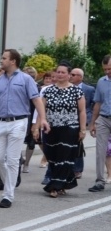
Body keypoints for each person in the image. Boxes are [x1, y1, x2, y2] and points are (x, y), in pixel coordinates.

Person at [0, 49, 49, 208]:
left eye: (4, 58)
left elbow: (36, 100)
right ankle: (10, 181)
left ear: (13, 61)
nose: (1, 60)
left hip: (19, 121)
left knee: (11, 159)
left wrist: (42, 119)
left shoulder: (25, 79)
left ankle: (8, 195)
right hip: (0, 122)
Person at [40, 63, 85, 197]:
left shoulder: (76, 91)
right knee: (52, 156)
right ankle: (66, 182)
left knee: (64, 156)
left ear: (69, 75)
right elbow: (42, 110)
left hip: (70, 128)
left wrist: (82, 129)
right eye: (58, 72)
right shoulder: (48, 90)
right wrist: (37, 127)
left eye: (63, 72)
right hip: (51, 128)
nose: (59, 75)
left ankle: (55, 186)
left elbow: (82, 111)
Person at [88, 56, 111, 192]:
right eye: (105, 69)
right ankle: (99, 181)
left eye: (110, 69)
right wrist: (93, 123)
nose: (107, 72)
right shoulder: (101, 82)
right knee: (100, 150)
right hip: (103, 118)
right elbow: (97, 103)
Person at [69, 67, 94, 179]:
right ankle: (69, 167)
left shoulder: (89, 89)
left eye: (73, 75)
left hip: (82, 119)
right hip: (69, 119)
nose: (71, 76)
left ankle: (78, 169)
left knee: (78, 144)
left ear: (80, 77)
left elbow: (94, 104)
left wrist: (91, 120)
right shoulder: (67, 88)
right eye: (70, 74)